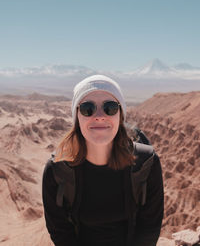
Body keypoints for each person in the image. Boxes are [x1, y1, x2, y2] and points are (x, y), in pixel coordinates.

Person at [42, 74, 164, 246]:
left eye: (110, 107)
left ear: (120, 116)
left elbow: (149, 228)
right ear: (77, 117)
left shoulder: (146, 164)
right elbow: (61, 233)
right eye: (87, 108)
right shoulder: (57, 171)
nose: (99, 116)